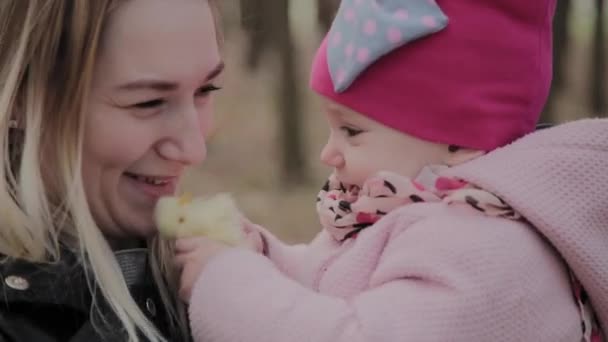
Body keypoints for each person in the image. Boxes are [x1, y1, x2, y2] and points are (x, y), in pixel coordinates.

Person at [174, 0, 607, 341]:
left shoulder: (488, 252)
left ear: (458, 142)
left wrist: (227, 281)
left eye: (351, 131)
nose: (329, 153)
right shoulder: (423, 210)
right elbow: (341, 283)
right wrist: (266, 259)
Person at [0, 0, 223, 341]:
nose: (195, 150)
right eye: (148, 102)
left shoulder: (222, 274)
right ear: (21, 96)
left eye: (204, 90)